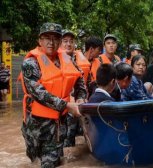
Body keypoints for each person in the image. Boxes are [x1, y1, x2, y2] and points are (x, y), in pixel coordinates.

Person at [20, 22, 87, 167]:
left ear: (59, 41)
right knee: (35, 161)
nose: (51, 42)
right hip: (35, 126)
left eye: (56, 38)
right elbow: (38, 93)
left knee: (51, 163)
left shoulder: (67, 60)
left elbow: (80, 82)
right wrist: (67, 105)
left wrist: (81, 98)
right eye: (47, 38)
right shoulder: (30, 63)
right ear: (40, 40)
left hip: (57, 126)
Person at [59, 29, 88, 147]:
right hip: (57, 110)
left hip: (72, 110)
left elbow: (81, 87)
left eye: (71, 41)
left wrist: (81, 98)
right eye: (65, 41)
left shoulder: (74, 64)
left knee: (69, 147)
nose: (69, 44)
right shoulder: (54, 61)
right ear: (59, 43)